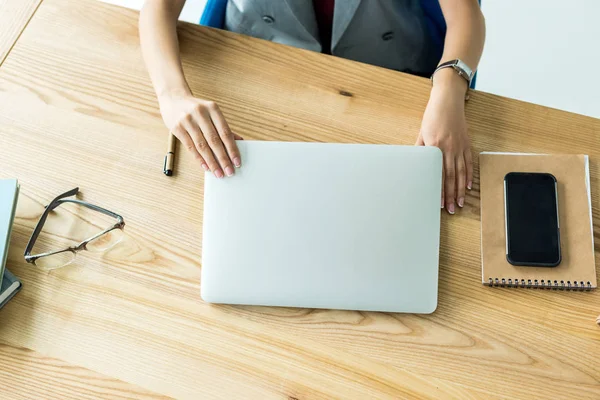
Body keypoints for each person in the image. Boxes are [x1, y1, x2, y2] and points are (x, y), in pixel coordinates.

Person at [139, 0, 485, 215]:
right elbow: (159, 6)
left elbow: (465, 14)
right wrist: (172, 95)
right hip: (261, 69)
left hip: (389, 78)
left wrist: (449, 90)